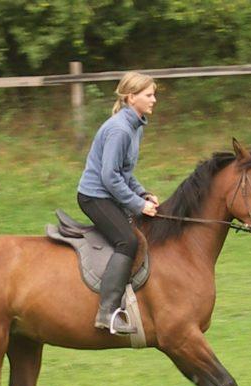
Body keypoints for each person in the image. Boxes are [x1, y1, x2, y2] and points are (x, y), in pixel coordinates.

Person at [77, 71, 159, 334]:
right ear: (131, 97)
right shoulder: (120, 129)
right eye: (149, 95)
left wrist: (142, 193)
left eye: (153, 94)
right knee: (128, 240)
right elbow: (109, 177)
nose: (154, 100)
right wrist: (137, 204)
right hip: (95, 196)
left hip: (110, 192)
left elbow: (124, 172)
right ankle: (108, 312)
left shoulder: (135, 126)